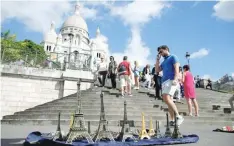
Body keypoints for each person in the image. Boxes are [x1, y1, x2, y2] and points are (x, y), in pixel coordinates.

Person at [155, 45, 184, 126]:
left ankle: (178, 116)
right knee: (168, 100)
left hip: (171, 80)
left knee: (167, 98)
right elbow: (157, 70)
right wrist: (157, 60)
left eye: (161, 51)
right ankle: (172, 120)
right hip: (164, 81)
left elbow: (176, 68)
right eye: (159, 52)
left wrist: (176, 78)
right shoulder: (163, 61)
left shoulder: (173, 57)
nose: (160, 53)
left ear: (166, 49)